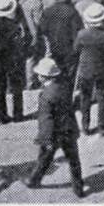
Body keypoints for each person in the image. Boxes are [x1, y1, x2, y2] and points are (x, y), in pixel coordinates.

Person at [27, 57, 87, 197]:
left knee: (45, 158)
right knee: (74, 160)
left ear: (43, 77)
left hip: (54, 134)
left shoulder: (45, 95)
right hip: (69, 129)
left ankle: (34, 180)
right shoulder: (65, 87)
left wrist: (45, 139)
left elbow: (46, 120)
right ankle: (78, 188)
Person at [74, 2, 104, 136]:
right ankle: (102, 126)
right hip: (103, 68)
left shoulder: (82, 34)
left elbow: (75, 49)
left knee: (85, 97)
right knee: (102, 97)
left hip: (86, 69)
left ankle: (85, 125)